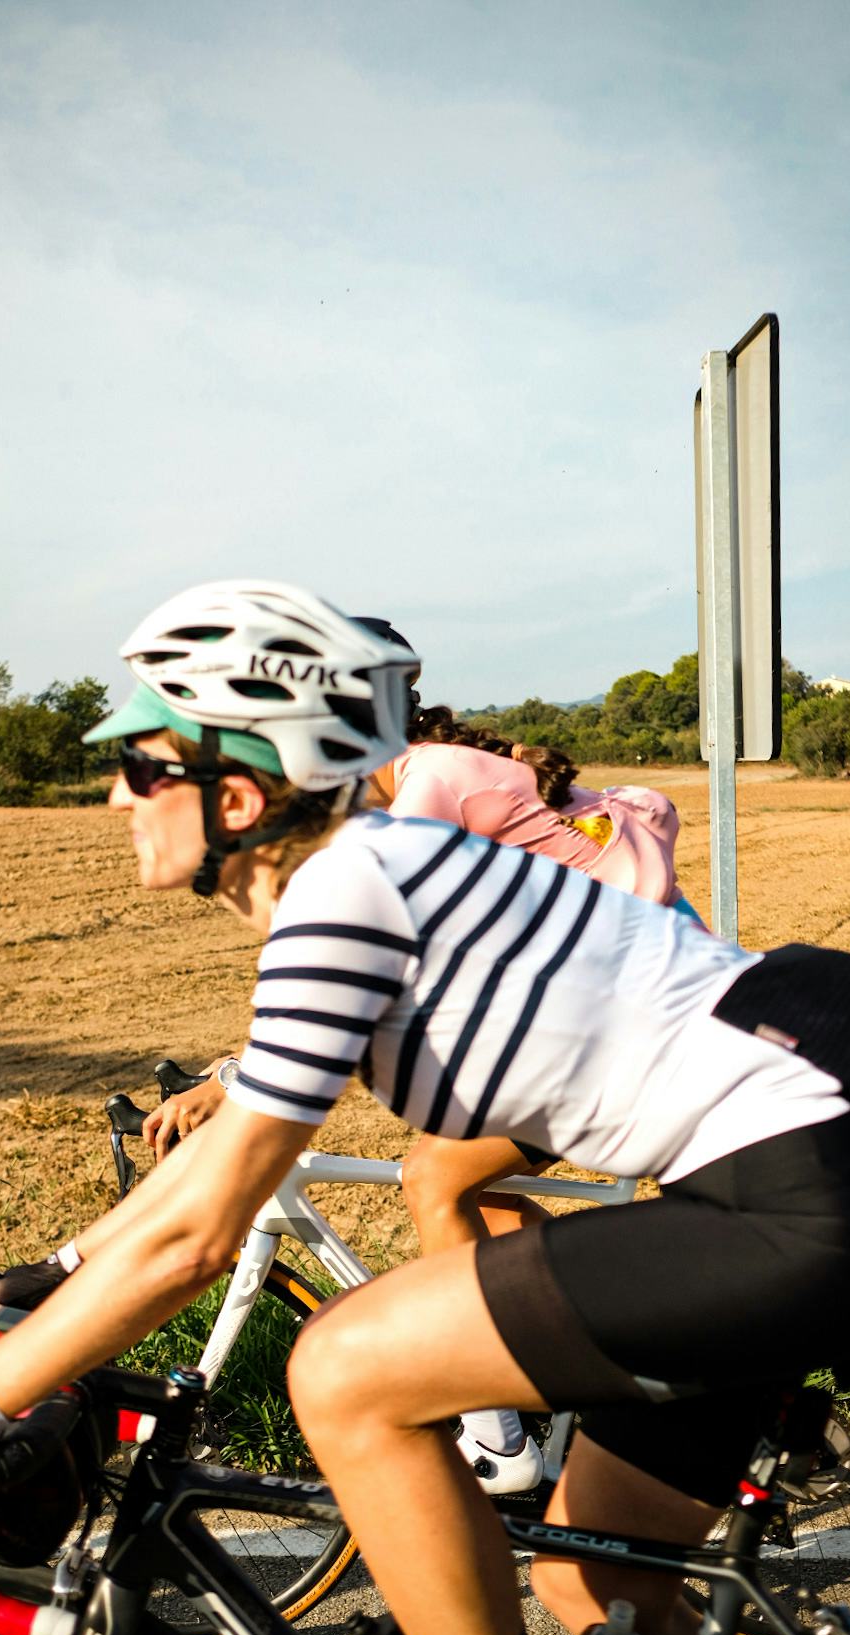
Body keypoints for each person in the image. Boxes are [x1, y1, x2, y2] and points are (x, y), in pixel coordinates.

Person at [0, 580, 850, 1635]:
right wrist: (61, 1268)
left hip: (782, 1207)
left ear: (234, 798)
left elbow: (201, 1233)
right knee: (597, 1586)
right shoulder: (372, 874)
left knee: (341, 1368)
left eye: (142, 766)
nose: (115, 796)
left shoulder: (351, 887)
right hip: (809, 1187)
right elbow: (227, 1150)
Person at [145, 614, 705, 1490]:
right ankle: (597, 1369)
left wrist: (239, 1079)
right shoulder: (420, 780)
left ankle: (498, 1440)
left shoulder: (428, 784)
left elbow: (369, 950)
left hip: (639, 1030)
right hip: (602, 1021)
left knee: (433, 1178)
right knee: (493, 1203)